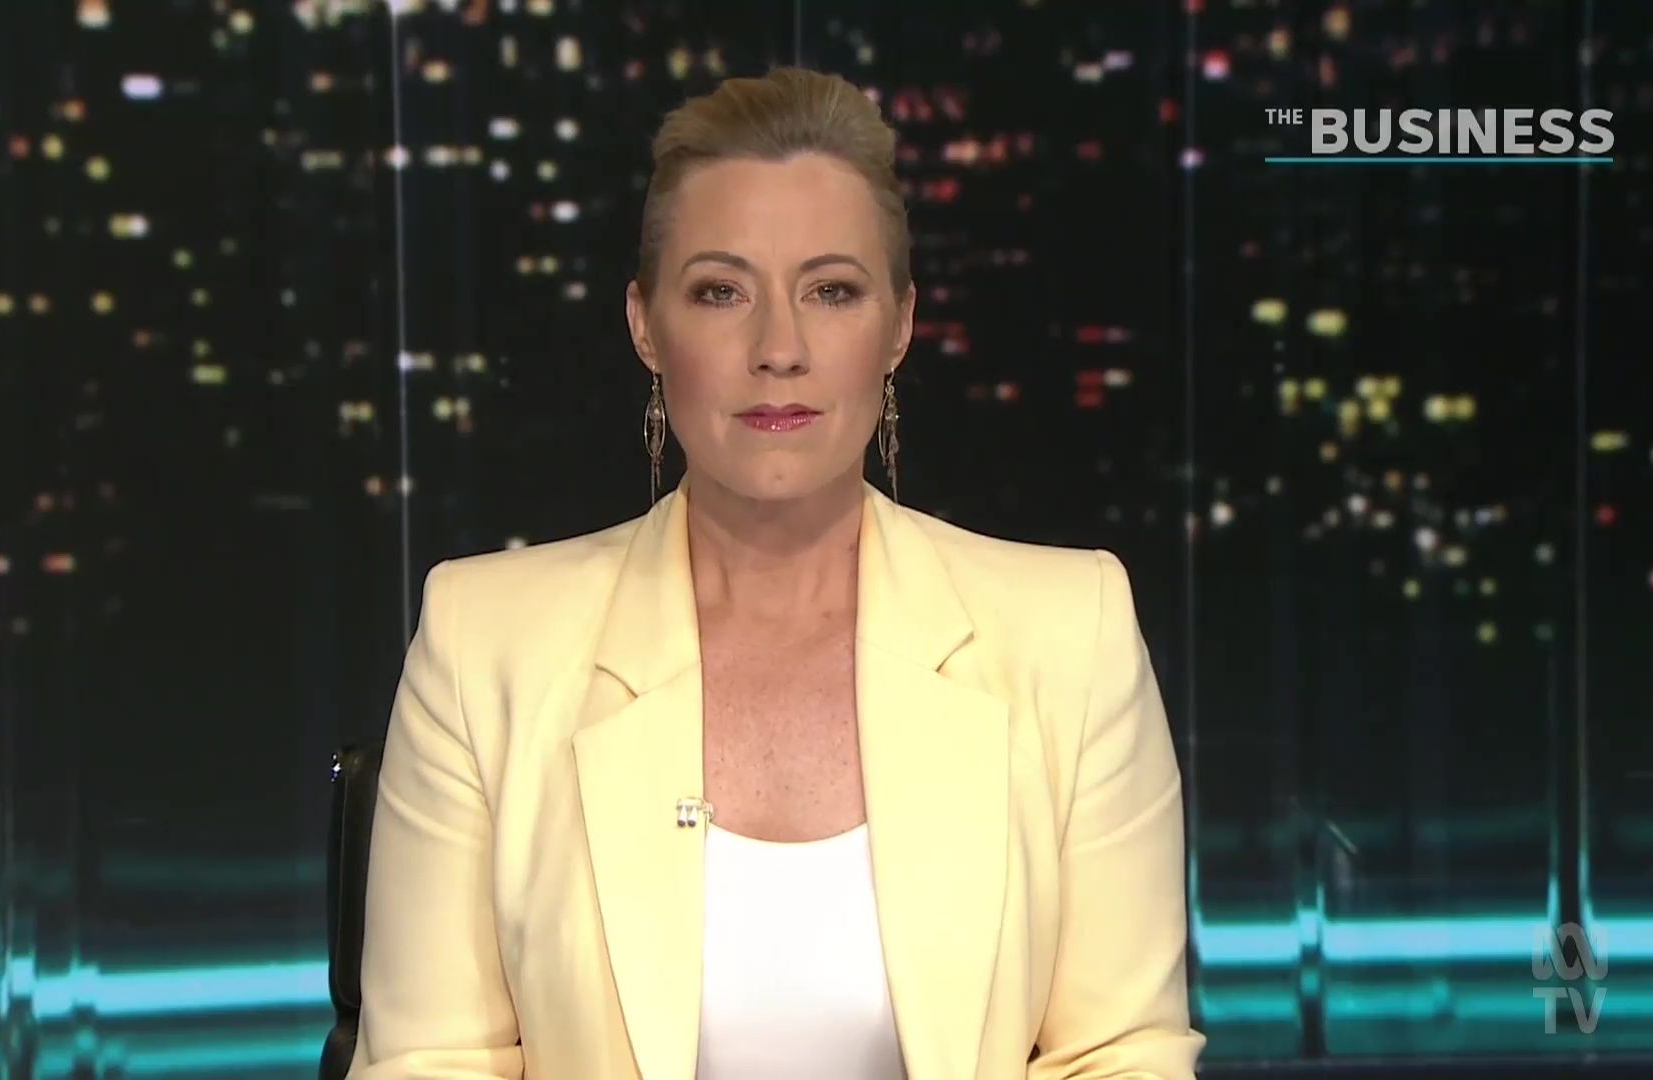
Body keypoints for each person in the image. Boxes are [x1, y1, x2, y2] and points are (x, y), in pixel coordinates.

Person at [347, 66, 1203, 1080]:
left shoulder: (1070, 635)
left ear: (899, 325)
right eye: (721, 292)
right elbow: (429, 1060)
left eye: (831, 291)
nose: (779, 348)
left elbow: (1121, 1054)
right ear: (645, 326)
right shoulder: (483, 644)